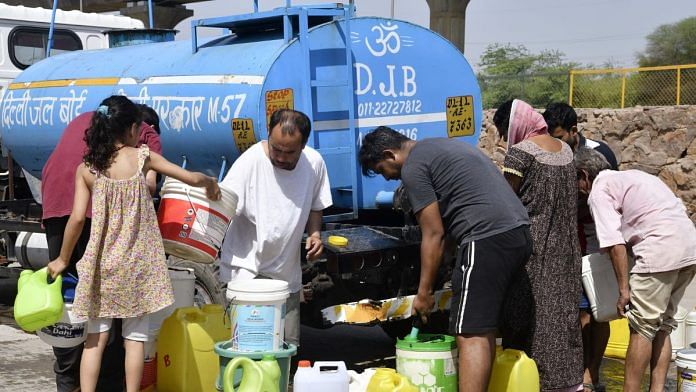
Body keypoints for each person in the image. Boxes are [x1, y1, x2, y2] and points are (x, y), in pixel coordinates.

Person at [46, 95, 220, 392]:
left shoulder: (87, 168)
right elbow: (188, 177)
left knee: (95, 340)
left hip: (103, 264)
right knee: (135, 339)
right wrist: (208, 183)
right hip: (138, 265)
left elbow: (76, 220)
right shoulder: (143, 157)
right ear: (129, 129)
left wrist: (63, 259)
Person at [358, 126, 532, 392]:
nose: (389, 179)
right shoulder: (442, 146)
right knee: (487, 326)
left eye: (383, 170)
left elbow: (434, 233)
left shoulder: (413, 167)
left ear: (390, 154)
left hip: (485, 238)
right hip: (518, 232)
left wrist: (424, 292)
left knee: (470, 332)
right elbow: (452, 222)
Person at [41, 109, 163, 392]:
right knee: (116, 305)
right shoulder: (145, 132)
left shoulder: (89, 118)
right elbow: (149, 184)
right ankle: (108, 384)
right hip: (97, 214)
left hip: (58, 203)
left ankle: (68, 381)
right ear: (136, 127)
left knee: (71, 296)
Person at [575, 147, 696, 392]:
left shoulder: (599, 192)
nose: (576, 188)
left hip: (659, 253)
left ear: (584, 175)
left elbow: (615, 245)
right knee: (663, 325)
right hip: (689, 250)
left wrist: (623, 290)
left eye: (575, 180)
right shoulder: (636, 176)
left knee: (641, 328)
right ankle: (657, 389)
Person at [218, 109, 332, 347]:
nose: (280, 157)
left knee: (286, 346)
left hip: (286, 273)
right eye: (275, 148)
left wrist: (314, 234)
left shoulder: (314, 163)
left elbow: (316, 204)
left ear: (303, 146)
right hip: (246, 268)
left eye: (288, 152)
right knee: (248, 344)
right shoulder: (251, 161)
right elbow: (223, 203)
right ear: (268, 135)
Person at [494, 99, 583, 391]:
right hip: (568, 253)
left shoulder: (520, 155)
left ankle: (530, 381)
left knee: (529, 318)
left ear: (514, 125)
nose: (504, 140)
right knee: (562, 320)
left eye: (504, 132)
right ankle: (567, 383)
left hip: (533, 253)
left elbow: (506, 206)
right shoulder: (567, 150)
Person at [543, 102, 618, 392]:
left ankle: (593, 372)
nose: (556, 144)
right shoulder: (550, 154)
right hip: (569, 242)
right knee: (579, 312)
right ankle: (579, 370)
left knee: (601, 311)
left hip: (599, 241)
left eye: (560, 137)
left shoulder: (602, 153)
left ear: (574, 131)